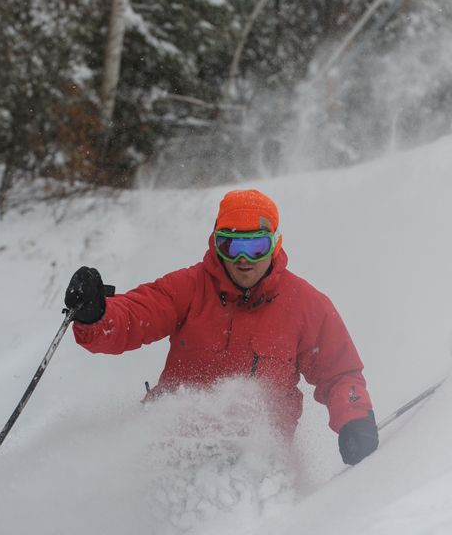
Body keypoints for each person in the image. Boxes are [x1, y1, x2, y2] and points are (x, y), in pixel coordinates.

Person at [63, 188, 378, 466]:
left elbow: (340, 373)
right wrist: (97, 314)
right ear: (216, 245)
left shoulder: (305, 305)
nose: (243, 259)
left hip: (256, 459)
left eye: (255, 248)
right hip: (172, 447)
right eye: (231, 246)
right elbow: (134, 315)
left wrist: (354, 420)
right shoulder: (190, 287)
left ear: (274, 245)